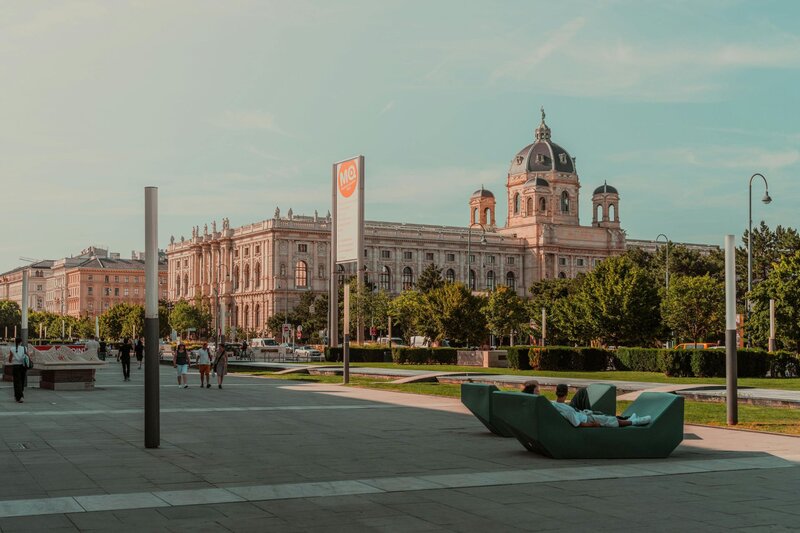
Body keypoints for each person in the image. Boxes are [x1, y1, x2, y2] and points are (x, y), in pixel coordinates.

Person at [551, 383, 650, 427]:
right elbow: (579, 424)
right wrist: (593, 425)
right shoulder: (567, 411)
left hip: (582, 414)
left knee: (602, 415)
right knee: (608, 420)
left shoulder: (553, 404)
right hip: (586, 419)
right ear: (566, 393)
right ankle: (634, 422)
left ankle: (628, 419)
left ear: (556, 392)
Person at [7, 337, 27, 403]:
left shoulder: (12, 349)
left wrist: (11, 361)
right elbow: (27, 356)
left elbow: (10, 359)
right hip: (23, 367)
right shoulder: (24, 348)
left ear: (15, 342)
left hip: (15, 367)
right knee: (22, 381)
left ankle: (19, 397)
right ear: (21, 342)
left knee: (16, 382)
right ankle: (19, 396)